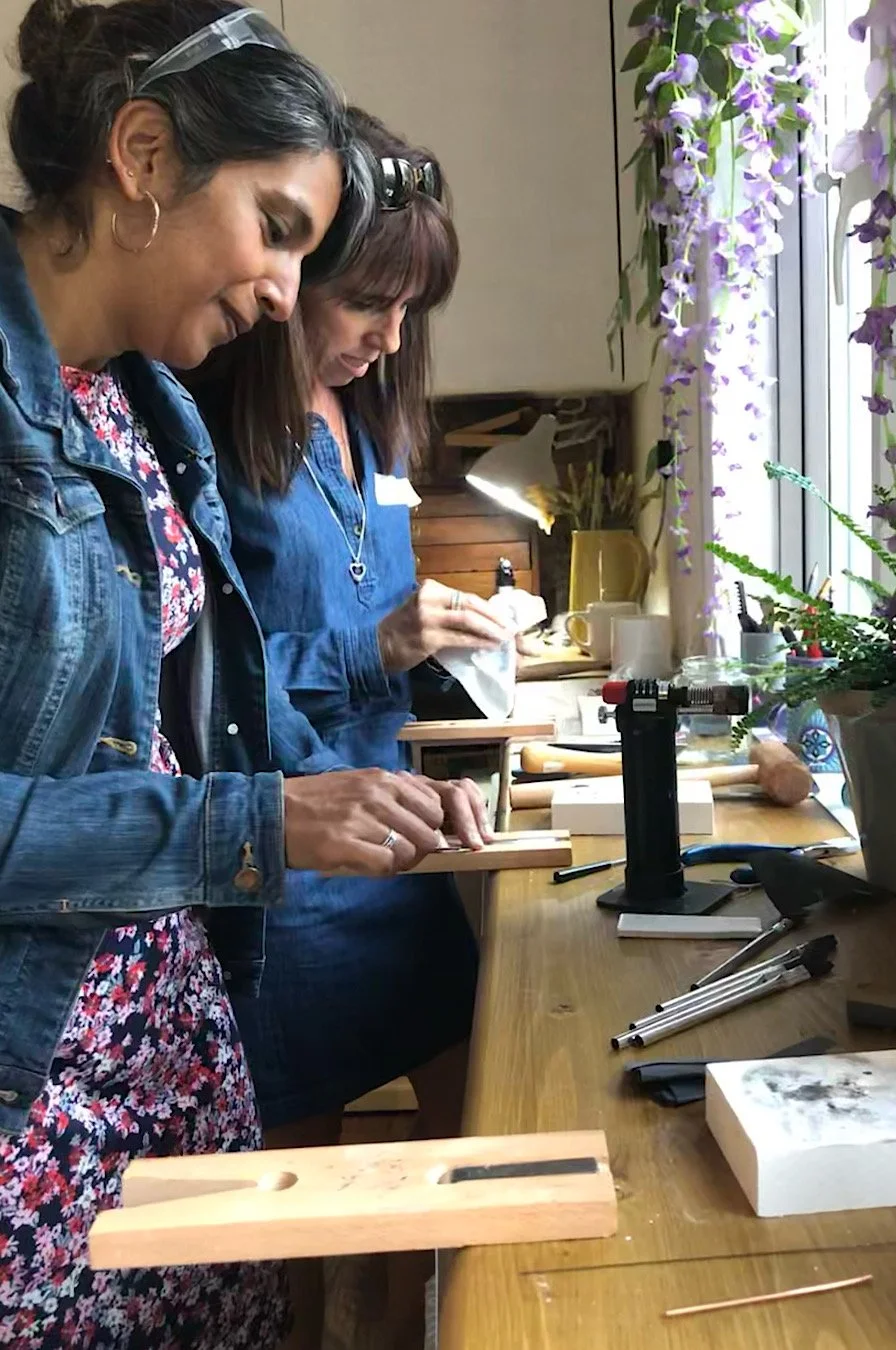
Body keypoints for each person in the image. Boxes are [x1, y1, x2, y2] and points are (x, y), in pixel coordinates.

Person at [0, 3, 480, 1345]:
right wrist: (261, 818)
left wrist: (360, 796)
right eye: (275, 228)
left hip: (162, 1048)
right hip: (35, 1085)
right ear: (143, 157)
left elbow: (211, 700)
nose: (285, 292)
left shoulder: (146, 407)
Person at [192, 110, 510, 1349]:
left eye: (412, 310)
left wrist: (452, 689)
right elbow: (198, 688)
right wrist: (372, 644)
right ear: (296, 277)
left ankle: (402, 1329)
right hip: (291, 873)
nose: (390, 337)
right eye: (371, 300)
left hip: (396, 843)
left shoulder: (363, 418)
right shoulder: (216, 440)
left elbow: (376, 628)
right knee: (301, 1221)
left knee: (457, 1157)